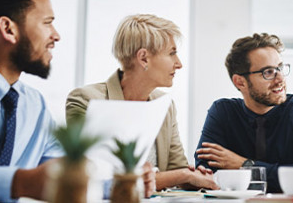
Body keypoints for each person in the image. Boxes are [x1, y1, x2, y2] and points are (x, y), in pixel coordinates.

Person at [0, 0, 155, 202]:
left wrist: (119, 183)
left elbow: (60, 172)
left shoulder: (33, 104)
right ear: (9, 29)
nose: (56, 35)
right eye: (47, 22)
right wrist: (21, 182)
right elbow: (32, 181)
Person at [66, 14, 218, 191]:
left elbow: (177, 169)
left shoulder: (165, 105)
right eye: (172, 53)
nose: (179, 64)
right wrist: (183, 175)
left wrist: (194, 177)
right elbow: (94, 176)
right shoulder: (86, 100)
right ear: (144, 58)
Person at [194, 33, 293, 193]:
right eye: (268, 72)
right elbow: (206, 175)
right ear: (240, 82)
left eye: (280, 68)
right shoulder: (223, 111)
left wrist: (244, 165)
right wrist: (284, 176)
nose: (280, 79)